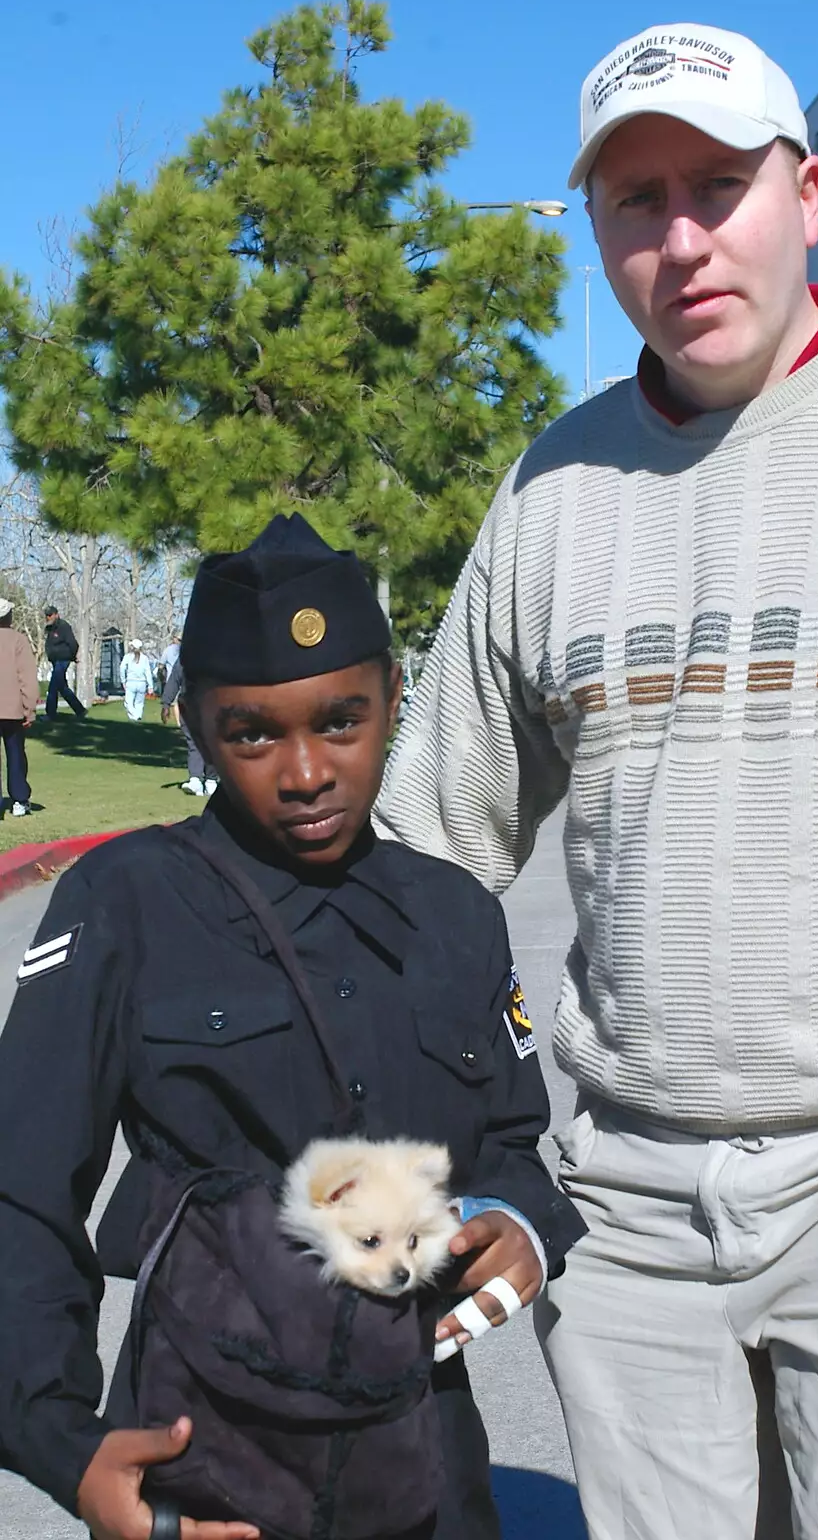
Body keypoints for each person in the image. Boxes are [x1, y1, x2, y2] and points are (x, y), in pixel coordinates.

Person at [375, 20, 818, 1540]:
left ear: (805, 193)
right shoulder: (554, 491)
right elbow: (430, 846)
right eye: (635, 202)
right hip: (621, 1204)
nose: (679, 239)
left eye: (718, 185)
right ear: (596, 233)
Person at [0, 513, 584, 1540]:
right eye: (253, 733)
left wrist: (517, 1226)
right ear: (196, 723)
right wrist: (61, 1437)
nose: (306, 769)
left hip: (421, 1452)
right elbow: (21, 1187)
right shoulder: (126, 901)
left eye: (341, 720)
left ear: (394, 697)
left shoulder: (452, 915)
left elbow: (509, 1143)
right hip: (205, 1454)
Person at [160, 654, 218, 797]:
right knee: (194, 742)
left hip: (211, 705)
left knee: (210, 743)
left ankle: (211, 780)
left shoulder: (218, 655)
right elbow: (175, 678)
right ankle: (196, 779)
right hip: (189, 705)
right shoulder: (186, 657)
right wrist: (166, 703)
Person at [0, 597, 37, 819]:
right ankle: (19, 800)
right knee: (15, 755)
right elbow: (27, 679)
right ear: (8, 617)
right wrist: (29, 708)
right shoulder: (19, 640)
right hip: (13, 709)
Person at [43, 605, 86, 719]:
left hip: (63, 660)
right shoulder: (50, 628)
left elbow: (73, 643)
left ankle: (50, 714)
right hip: (55, 661)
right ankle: (80, 710)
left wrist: (72, 656)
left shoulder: (63, 626)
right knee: (62, 687)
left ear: (56, 614)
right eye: (47, 615)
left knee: (53, 686)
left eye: (50, 615)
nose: (48, 617)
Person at [119, 638, 153, 721]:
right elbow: (148, 672)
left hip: (131, 682)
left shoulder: (127, 657)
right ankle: (137, 717)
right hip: (142, 683)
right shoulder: (144, 658)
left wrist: (123, 680)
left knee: (128, 703)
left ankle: (134, 717)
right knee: (139, 703)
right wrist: (150, 686)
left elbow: (122, 668)